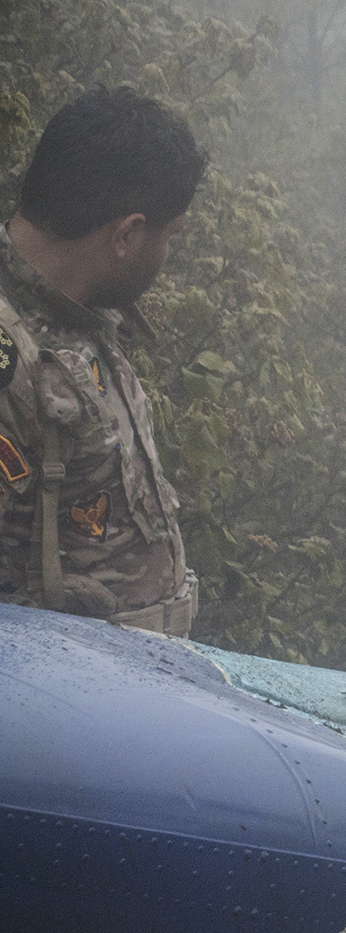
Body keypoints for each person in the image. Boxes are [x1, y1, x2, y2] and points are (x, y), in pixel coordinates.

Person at [0, 89, 206, 635]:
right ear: (127, 235)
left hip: (128, 672)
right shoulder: (9, 358)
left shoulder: (81, 311)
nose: (167, 255)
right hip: (52, 679)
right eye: (169, 235)